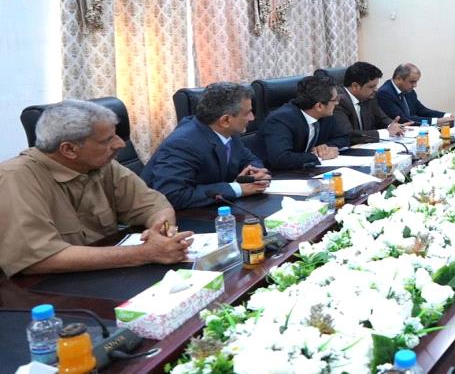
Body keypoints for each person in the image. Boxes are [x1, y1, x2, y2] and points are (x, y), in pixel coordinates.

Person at [0, 100, 192, 277]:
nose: (120, 144)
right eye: (106, 140)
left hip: (104, 275)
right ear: (69, 149)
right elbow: (40, 259)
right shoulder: (14, 178)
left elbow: (155, 205)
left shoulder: (102, 165)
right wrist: (145, 253)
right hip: (46, 289)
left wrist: (163, 231)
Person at [142, 82, 270, 210]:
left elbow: (249, 159)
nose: (252, 118)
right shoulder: (183, 143)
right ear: (225, 120)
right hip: (171, 217)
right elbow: (173, 195)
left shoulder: (229, 132)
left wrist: (255, 174)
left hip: (211, 209)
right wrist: (238, 188)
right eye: (248, 113)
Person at [257, 75, 349, 170]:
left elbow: (343, 138)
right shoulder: (280, 120)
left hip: (308, 170)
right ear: (319, 106)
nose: (337, 103)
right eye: (335, 100)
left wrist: (325, 148)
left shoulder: (325, 115)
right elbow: (281, 159)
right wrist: (317, 156)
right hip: (279, 174)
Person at [334, 61, 410, 145]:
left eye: (376, 86)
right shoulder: (337, 101)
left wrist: (394, 126)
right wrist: (387, 132)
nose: (376, 90)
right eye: (371, 87)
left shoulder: (368, 97)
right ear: (355, 86)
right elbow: (349, 135)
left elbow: (382, 118)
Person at [376, 63, 454, 126]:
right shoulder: (384, 93)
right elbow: (403, 119)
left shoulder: (409, 91)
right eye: (412, 82)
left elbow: (422, 110)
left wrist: (447, 115)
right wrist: (436, 121)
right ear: (399, 78)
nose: (415, 85)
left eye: (416, 82)